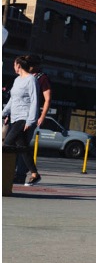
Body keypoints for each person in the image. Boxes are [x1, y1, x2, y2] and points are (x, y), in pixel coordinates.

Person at [2, 56, 42, 186]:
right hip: (14, 117)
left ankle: (6, 173)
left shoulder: (31, 80)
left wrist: (30, 121)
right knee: (22, 147)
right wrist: (4, 113)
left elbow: (35, 100)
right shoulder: (17, 80)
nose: (13, 67)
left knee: (7, 144)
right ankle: (35, 174)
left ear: (18, 65)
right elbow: (12, 99)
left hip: (24, 118)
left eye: (14, 64)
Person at [13, 55, 52, 182]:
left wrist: (42, 116)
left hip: (29, 116)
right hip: (18, 116)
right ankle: (17, 173)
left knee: (21, 145)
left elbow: (47, 99)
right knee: (18, 144)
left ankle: (20, 175)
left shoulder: (41, 78)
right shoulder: (23, 77)